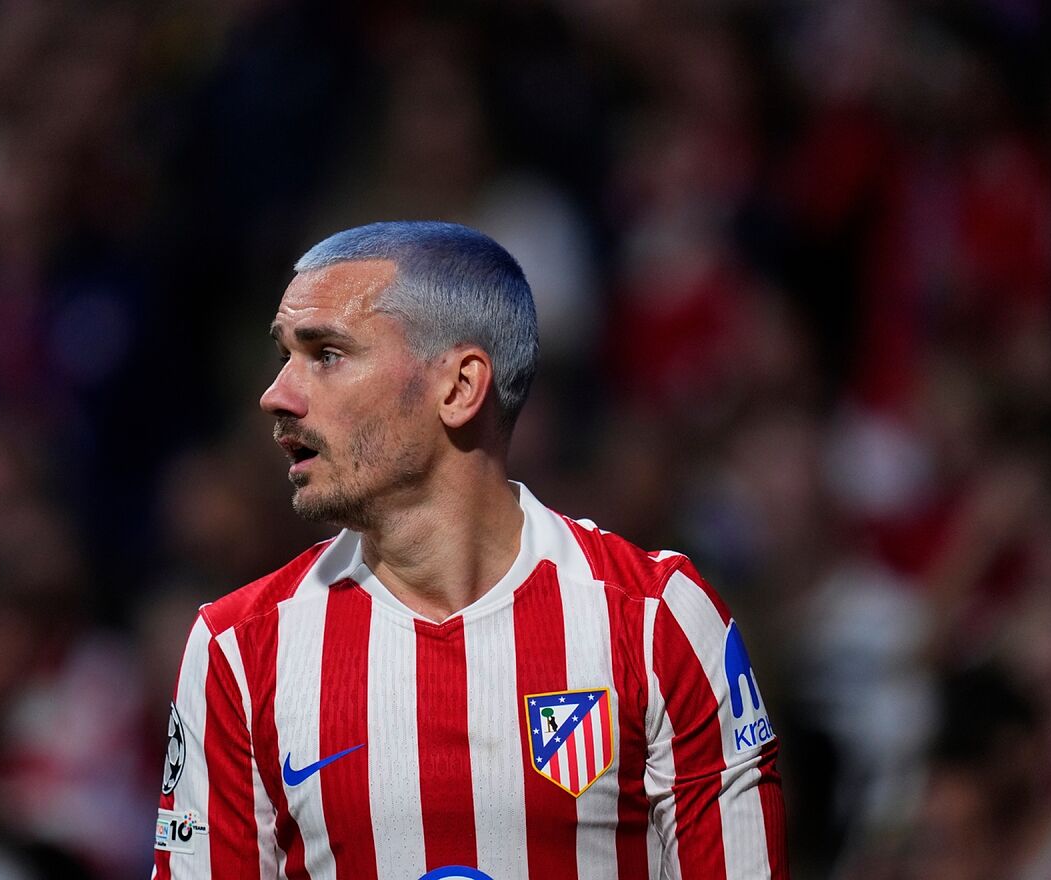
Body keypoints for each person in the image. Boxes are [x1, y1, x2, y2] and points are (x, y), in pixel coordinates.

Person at [152, 221, 788, 880]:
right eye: (285, 354)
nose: (276, 394)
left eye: (327, 354)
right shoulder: (236, 651)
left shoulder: (657, 624)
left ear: (458, 388)